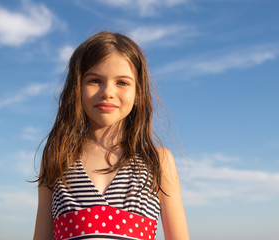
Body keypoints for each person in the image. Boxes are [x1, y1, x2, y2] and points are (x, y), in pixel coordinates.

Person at [33, 31, 189, 240]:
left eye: (122, 82)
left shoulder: (157, 162)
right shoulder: (57, 158)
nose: (108, 92)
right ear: (76, 87)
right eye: (95, 80)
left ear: (138, 92)